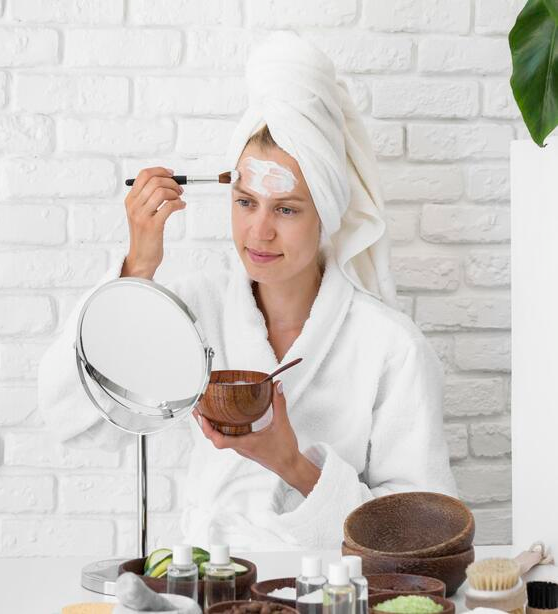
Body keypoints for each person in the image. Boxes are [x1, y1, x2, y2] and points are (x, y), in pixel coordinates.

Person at [36, 32, 458, 551]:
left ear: (325, 213)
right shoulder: (195, 311)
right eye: (244, 202)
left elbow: (425, 534)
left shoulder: (392, 347)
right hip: (209, 583)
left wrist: (292, 464)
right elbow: (70, 412)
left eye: (286, 209)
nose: (258, 232)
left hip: (329, 592)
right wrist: (138, 270)